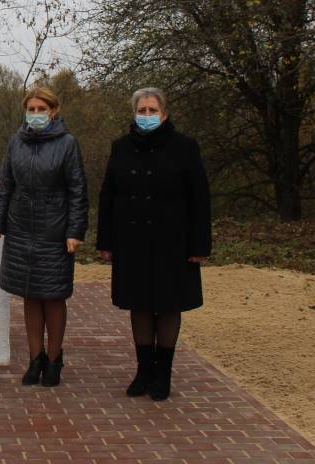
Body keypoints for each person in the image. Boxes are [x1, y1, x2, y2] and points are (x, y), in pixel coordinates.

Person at [96, 87, 212, 401]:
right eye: (142, 111)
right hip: (132, 240)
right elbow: (108, 195)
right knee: (140, 305)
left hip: (173, 241)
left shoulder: (185, 147)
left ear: (165, 113)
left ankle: (163, 374)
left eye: (152, 110)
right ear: (134, 114)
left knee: (169, 305)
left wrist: (199, 245)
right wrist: (105, 240)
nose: (146, 116)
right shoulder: (121, 147)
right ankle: (143, 370)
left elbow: (200, 198)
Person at [0, 86, 88, 386]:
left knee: (53, 295)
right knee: (30, 295)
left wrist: (75, 231)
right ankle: (36, 359)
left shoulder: (68, 144)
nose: (35, 115)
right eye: (30, 109)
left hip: (54, 232)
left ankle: (55, 359)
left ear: (53, 111)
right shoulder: (16, 143)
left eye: (40, 109)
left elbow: (78, 190)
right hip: (21, 230)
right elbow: (6, 186)